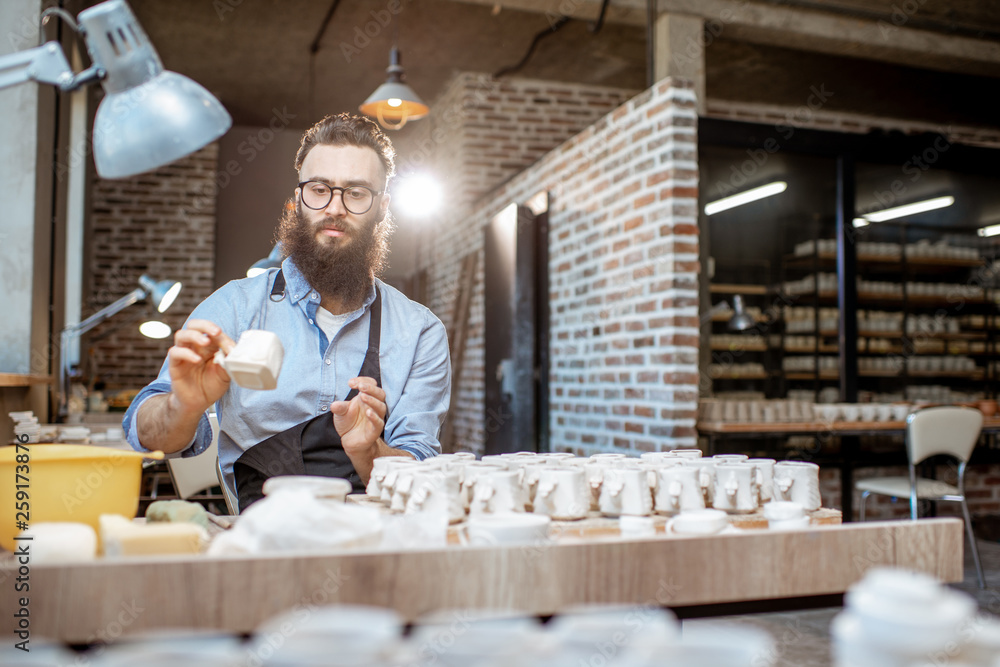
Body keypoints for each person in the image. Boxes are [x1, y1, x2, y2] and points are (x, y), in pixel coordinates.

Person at [123, 113, 450, 511]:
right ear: (297, 201)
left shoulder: (420, 332)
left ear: (382, 207)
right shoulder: (235, 308)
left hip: (374, 546)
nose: (335, 208)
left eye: (357, 193)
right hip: (259, 546)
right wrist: (184, 406)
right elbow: (148, 434)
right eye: (319, 189)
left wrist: (371, 452)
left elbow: (422, 472)